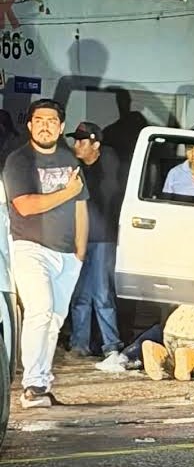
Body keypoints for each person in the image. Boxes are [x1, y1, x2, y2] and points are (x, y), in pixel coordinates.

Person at [3, 99, 89, 408]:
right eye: (39, 120)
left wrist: (80, 251)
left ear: (61, 126)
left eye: (52, 120)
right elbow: (24, 205)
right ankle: (31, 386)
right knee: (40, 309)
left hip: (66, 254)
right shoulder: (19, 160)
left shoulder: (69, 160)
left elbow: (81, 206)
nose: (45, 125)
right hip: (30, 246)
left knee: (54, 318)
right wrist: (66, 191)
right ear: (29, 125)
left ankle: (41, 383)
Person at [65, 122, 124, 358]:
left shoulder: (108, 167)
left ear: (95, 144)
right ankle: (80, 343)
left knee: (101, 293)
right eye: (76, 140)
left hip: (102, 239)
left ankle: (111, 344)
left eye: (82, 141)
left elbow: (108, 198)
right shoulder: (77, 169)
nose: (76, 145)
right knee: (80, 294)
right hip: (80, 238)